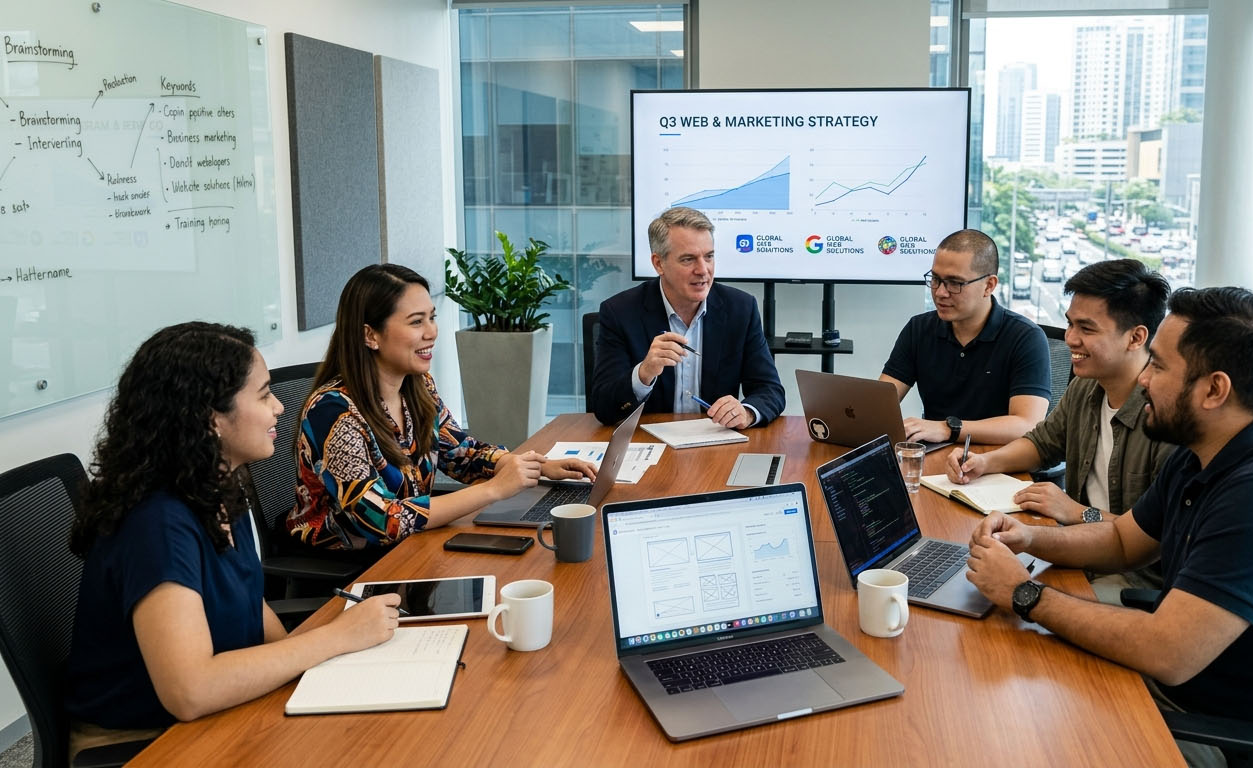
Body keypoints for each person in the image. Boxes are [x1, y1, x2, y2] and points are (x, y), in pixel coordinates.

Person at [964, 287, 1253, 764]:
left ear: (1214, 390)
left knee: (1021, 736)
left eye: (1157, 365)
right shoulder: (1207, 449)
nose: (1143, 380)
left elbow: (1167, 653)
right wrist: (1031, 538)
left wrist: (1024, 594)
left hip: (1240, 739)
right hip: (1195, 692)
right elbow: (1122, 541)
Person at [65, 322, 403, 753]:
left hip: (222, 716)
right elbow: (191, 690)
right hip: (146, 745)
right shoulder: (157, 523)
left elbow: (256, 618)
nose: (280, 407)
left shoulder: (217, 485)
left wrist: (329, 660)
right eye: (263, 394)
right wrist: (336, 637)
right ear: (211, 420)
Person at [284, 264, 595, 554]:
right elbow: (379, 520)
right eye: (416, 321)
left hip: (412, 545)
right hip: (350, 564)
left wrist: (534, 468)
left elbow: (461, 453)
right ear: (370, 335)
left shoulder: (418, 386)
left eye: (431, 317)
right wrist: (494, 490)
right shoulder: (332, 411)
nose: (431, 331)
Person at [945, 259, 1175, 603]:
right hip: (1075, 550)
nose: (1070, 339)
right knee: (969, 577)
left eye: (1087, 328)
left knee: (1004, 614)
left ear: (1136, 337)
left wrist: (1078, 512)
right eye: (1069, 324)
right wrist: (986, 462)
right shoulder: (1087, 387)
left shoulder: (1166, 418)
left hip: (1132, 579)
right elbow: (1043, 443)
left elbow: (1153, 540)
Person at [591, 206, 784, 428]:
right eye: (688, 259)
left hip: (715, 443)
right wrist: (643, 374)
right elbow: (603, 407)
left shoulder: (741, 308)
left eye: (709, 257)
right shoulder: (620, 312)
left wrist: (747, 412)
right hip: (649, 443)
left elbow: (770, 390)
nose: (703, 270)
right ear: (658, 263)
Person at [880, 229, 1050, 445]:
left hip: (999, 461)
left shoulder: (1026, 338)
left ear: (989, 285)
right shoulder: (919, 328)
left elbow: (1027, 425)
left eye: (954, 283)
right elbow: (882, 404)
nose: (940, 292)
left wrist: (947, 428)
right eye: (935, 279)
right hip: (935, 455)